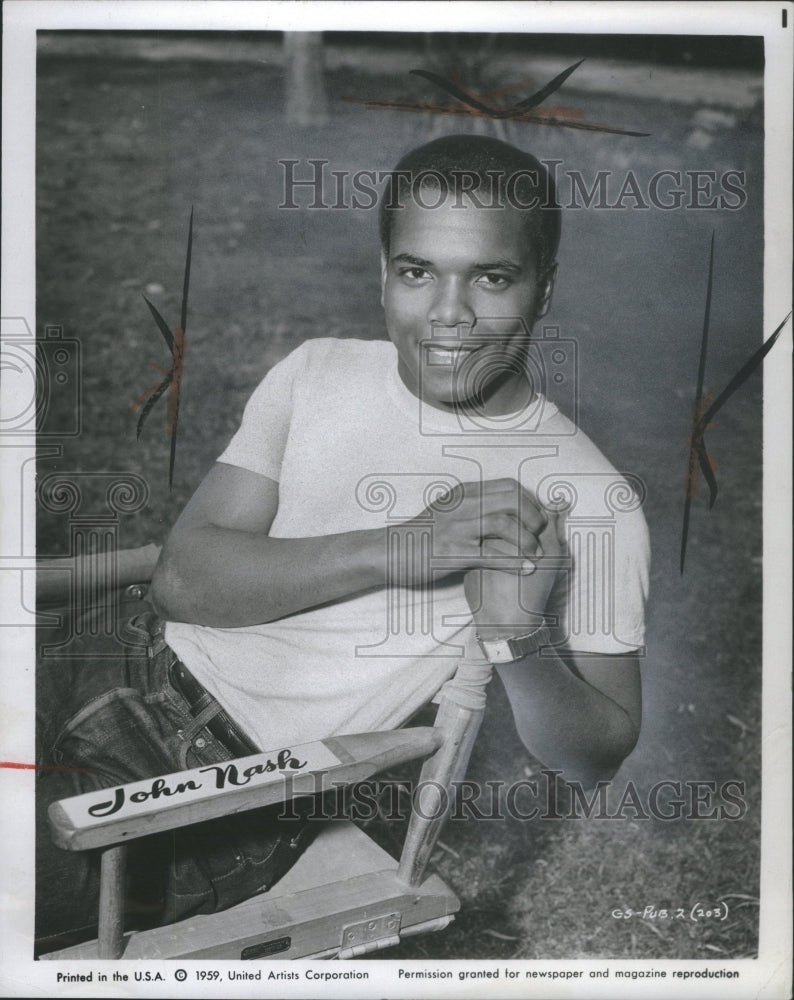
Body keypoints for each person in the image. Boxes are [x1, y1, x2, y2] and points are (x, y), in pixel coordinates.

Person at [35, 134, 650, 952]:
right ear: (383, 272)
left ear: (544, 288)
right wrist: (399, 548)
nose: (449, 314)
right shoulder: (317, 369)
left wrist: (518, 640)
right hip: (101, 656)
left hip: (205, 789)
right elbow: (185, 576)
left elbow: (593, 757)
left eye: (492, 278)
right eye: (417, 271)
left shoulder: (590, 495)